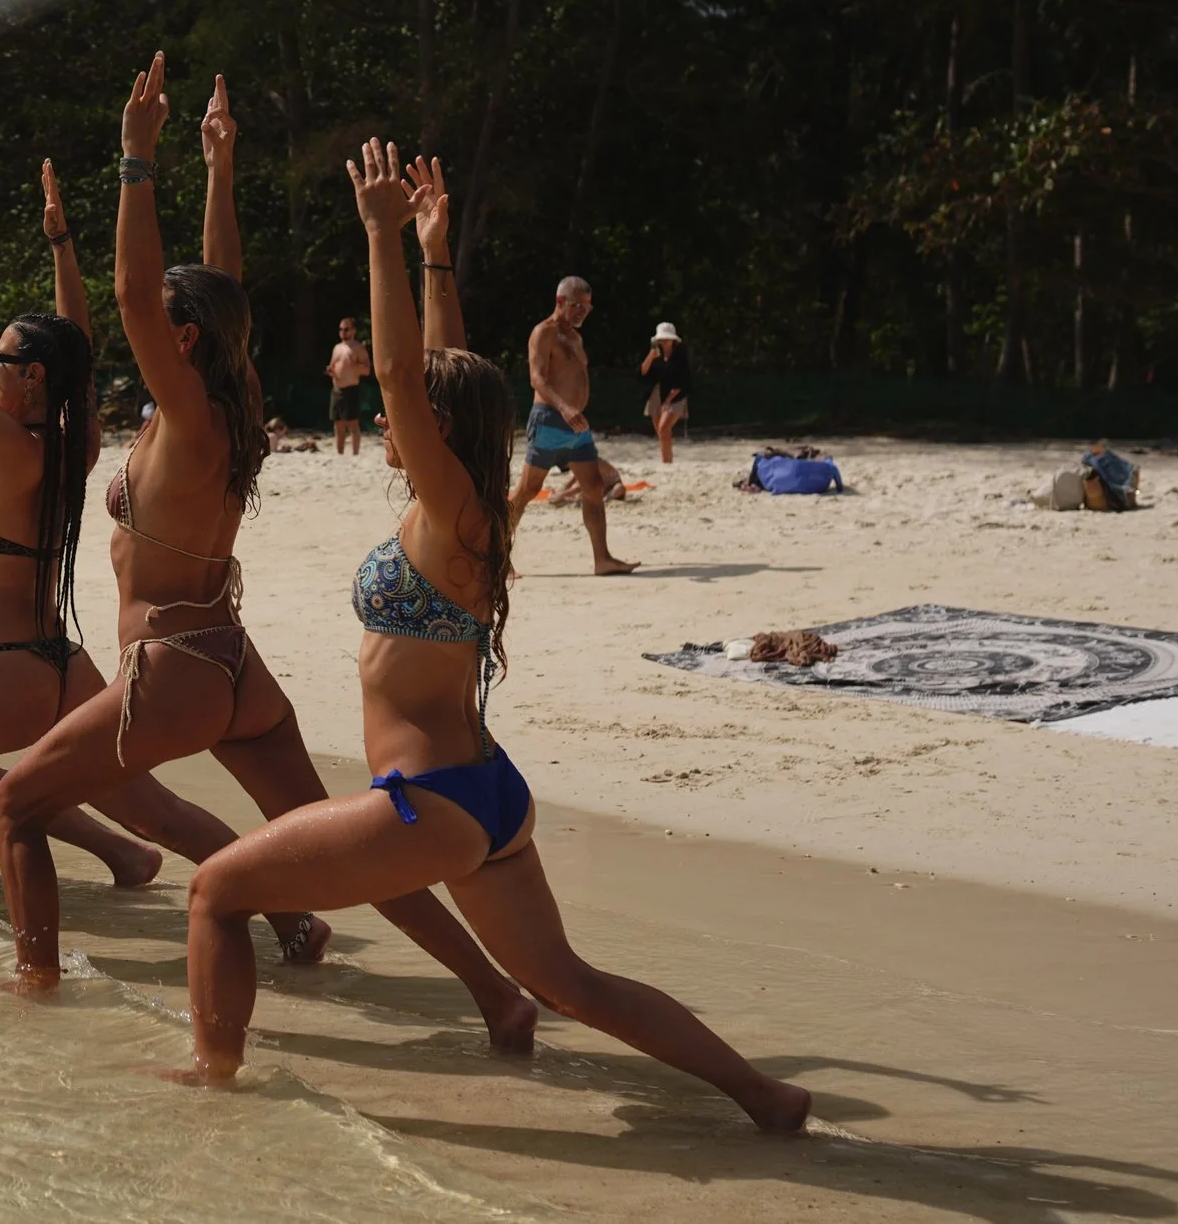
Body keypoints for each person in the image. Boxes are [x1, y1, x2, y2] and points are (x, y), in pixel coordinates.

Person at [178, 139, 810, 1133]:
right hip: (482, 791)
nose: (387, 416)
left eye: (403, 411)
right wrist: (433, 253)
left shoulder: (455, 511)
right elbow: (441, 369)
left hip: (426, 799)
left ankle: (211, 1094)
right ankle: (767, 1096)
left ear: (432, 423)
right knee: (568, 983)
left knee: (217, 890)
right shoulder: (465, 504)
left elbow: (402, 372)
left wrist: (379, 236)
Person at [0, 60, 536, 1041]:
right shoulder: (216, 407)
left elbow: (135, 289)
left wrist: (137, 158)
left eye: (163, 326)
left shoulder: (190, 418)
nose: (144, 329)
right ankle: (493, 994)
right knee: (348, 848)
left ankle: (34, 985)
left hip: (172, 666)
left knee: (16, 804)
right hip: (233, 666)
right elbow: (218, 286)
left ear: (183, 341)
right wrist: (218, 170)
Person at [0, 164, 268, 923]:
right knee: (154, 812)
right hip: (59, 665)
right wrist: (62, 247)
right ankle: (291, 913)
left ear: (32, 377)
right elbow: (80, 348)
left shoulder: (8, 448)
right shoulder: (75, 442)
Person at [503, 275, 637, 574]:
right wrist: (564, 408)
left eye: (587, 307)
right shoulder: (544, 332)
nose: (582, 312)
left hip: (576, 424)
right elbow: (536, 378)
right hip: (550, 420)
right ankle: (496, 558)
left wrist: (572, 410)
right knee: (528, 490)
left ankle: (602, 559)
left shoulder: (575, 337)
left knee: (594, 487)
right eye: (577, 305)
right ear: (560, 301)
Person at [639, 322, 692, 465]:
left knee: (664, 427)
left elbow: (682, 382)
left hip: (676, 394)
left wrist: (668, 400)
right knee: (661, 432)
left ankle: (667, 462)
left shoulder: (679, 358)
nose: (664, 342)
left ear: (673, 340)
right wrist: (651, 355)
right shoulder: (656, 357)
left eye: (667, 339)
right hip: (656, 394)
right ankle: (667, 462)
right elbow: (642, 372)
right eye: (661, 339)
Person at [325, 317, 372, 454]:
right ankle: (340, 453)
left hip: (351, 389)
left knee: (353, 424)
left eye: (346, 329)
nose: (343, 332)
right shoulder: (337, 348)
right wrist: (330, 370)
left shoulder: (358, 348)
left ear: (353, 330)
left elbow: (367, 370)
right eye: (340, 329)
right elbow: (332, 365)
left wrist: (355, 367)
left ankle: (355, 454)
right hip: (337, 389)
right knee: (338, 424)